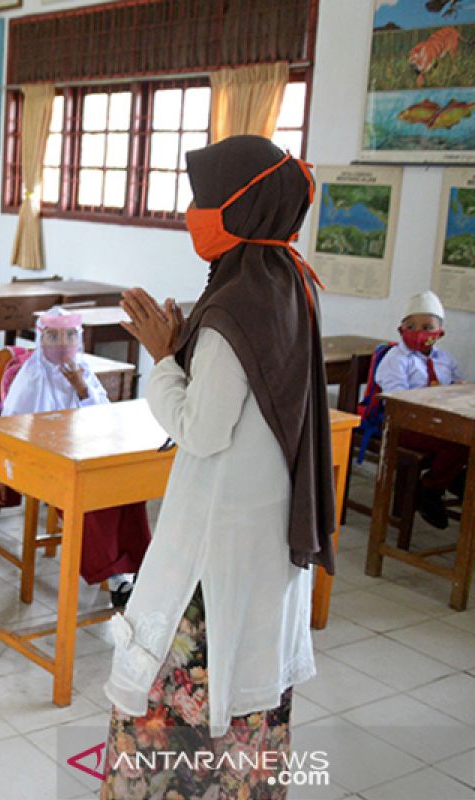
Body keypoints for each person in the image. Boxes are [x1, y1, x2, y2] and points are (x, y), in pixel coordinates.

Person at [102, 136, 333, 800]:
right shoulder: (289, 283)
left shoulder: (235, 308)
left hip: (217, 552)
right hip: (262, 536)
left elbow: (200, 430)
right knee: (249, 701)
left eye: (204, 202)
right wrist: (181, 353)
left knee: (180, 709)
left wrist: (163, 357)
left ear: (241, 209)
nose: (193, 214)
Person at [0, 307, 151, 606]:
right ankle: (114, 574)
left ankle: (136, 565)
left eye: (69, 335)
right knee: (92, 500)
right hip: (50, 463)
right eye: (53, 336)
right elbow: (10, 425)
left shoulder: (83, 370)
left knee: (128, 490)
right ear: (41, 339)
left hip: (86, 452)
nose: (62, 343)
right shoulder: (32, 376)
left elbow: (104, 414)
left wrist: (81, 388)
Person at [374, 290, 466, 529]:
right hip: (406, 426)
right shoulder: (396, 359)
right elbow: (396, 398)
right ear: (400, 330)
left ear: (439, 333)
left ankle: (451, 479)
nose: (419, 332)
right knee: (455, 443)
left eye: (427, 327)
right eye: (411, 326)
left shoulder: (445, 360)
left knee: (466, 440)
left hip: (438, 423)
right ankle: (430, 489)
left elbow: (455, 385)